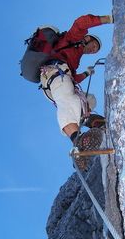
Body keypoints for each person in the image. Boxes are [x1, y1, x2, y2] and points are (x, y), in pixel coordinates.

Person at [40, 14, 113, 148]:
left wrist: (86, 73)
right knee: (68, 101)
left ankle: (80, 137)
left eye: (95, 51)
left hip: (60, 78)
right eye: (94, 46)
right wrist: (108, 19)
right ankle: (88, 129)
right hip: (55, 74)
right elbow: (81, 22)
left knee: (89, 99)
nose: (93, 50)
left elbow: (73, 77)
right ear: (87, 38)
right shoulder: (72, 38)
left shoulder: (75, 57)